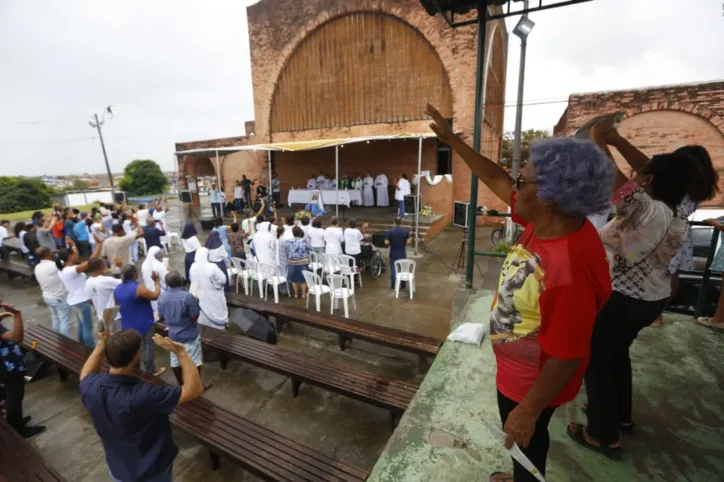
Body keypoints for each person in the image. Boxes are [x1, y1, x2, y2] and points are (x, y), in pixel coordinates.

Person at [427, 103, 614, 481]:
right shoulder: (552, 222)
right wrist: (453, 143)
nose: (513, 188)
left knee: (524, 437)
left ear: (548, 195)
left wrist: (528, 408)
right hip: (519, 370)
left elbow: (567, 353)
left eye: (522, 182)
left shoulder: (568, 268)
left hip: (529, 382)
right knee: (528, 439)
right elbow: (493, 177)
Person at [568, 118, 698, 458]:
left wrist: (601, 142)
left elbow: (618, 184)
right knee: (615, 355)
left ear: (650, 180)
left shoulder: (645, 208)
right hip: (649, 300)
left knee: (596, 361)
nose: (636, 175)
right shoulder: (675, 214)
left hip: (624, 301)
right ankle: (619, 417)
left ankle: (602, 434)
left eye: (642, 173)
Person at [79, 329, 203, 482]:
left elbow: (85, 374)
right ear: (137, 355)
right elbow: (194, 389)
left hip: (118, 468)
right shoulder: (143, 395)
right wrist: (181, 352)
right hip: (150, 471)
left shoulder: (91, 386)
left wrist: (100, 344)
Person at [655, 145, 718, 326]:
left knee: (656, 274)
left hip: (663, 232)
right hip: (681, 234)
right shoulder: (700, 188)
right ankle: (658, 314)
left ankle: (654, 315)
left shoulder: (675, 186)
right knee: (672, 276)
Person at [0, 302, 46, 437]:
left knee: (12, 394)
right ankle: (18, 429)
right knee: (15, 396)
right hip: (9, 367)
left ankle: (16, 421)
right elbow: (16, 337)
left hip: (5, 366)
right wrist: (17, 315)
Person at [157, 271, 208, 388]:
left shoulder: (162, 297)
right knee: (195, 360)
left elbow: (161, 317)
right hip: (189, 334)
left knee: (175, 360)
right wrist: (196, 302)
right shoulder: (187, 297)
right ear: (181, 281)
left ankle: (181, 384)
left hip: (172, 335)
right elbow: (195, 316)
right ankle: (196, 384)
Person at [113, 264, 166, 376]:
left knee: (133, 349)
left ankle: (135, 370)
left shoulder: (117, 289)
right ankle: (150, 370)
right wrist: (156, 282)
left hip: (127, 323)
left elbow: (116, 304)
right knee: (147, 347)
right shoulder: (138, 288)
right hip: (143, 323)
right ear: (134, 274)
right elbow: (155, 295)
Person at [59, 238, 101, 348]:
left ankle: (82, 346)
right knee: (87, 327)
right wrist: (99, 246)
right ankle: (92, 350)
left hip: (75, 301)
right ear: (70, 256)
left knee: (82, 325)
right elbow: (90, 263)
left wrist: (73, 244)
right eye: (74, 253)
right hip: (81, 301)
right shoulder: (70, 270)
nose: (76, 254)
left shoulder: (66, 269)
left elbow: (89, 261)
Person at [34, 247, 72, 336]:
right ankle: (65, 342)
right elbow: (67, 263)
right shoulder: (53, 266)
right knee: (64, 321)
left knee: (56, 318)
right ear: (48, 254)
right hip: (60, 297)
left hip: (48, 297)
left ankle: (56, 339)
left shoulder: (37, 267)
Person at [189, 248, 229, 330]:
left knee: (203, 312)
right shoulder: (212, 267)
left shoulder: (193, 266)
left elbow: (191, 280)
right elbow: (223, 279)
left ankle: (205, 329)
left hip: (199, 295)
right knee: (217, 311)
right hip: (213, 295)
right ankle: (220, 329)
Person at [86, 257, 123, 331]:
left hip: (101, 316)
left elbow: (90, 300)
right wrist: (120, 267)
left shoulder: (87, 282)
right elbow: (125, 281)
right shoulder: (106, 280)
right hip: (114, 316)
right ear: (101, 266)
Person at [385, 217, 412, 290]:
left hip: (393, 253)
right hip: (402, 253)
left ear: (394, 222)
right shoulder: (405, 231)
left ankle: (394, 286)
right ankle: (403, 286)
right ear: (401, 222)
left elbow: (386, 243)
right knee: (403, 269)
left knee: (394, 270)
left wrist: (390, 243)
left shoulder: (390, 231)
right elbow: (409, 242)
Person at [142, 246, 169, 317]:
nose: (161, 255)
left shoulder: (144, 265)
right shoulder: (159, 265)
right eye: (158, 254)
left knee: (156, 311)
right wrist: (168, 269)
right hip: (161, 291)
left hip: (150, 291)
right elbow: (167, 279)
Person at [285, 226, 310, 299]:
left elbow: (287, 251)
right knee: (303, 279)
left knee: (293, 279)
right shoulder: (305, 241)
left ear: (293, 233)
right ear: (300, 232)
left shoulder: (287, 241)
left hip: (291, 262)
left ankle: (296, 294)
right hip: (303, 262)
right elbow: (309, 249)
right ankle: (303, 294)